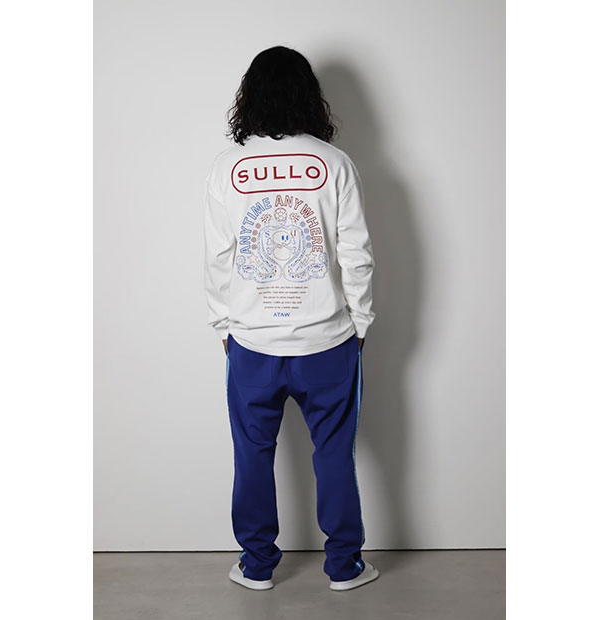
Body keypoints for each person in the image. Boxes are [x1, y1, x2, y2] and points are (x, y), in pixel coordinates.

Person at [203, 45, 378, 592]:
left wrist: (224, 326)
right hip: (328, 342)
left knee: (252, 457)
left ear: (249, 97)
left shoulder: (228, 167)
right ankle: (344, 566)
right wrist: (360, 323)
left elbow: (218, 255)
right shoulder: (334, 163)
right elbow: (356, 254)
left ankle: (256, 566)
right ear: (309, 96)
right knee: (335, 454)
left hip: (253, 344)